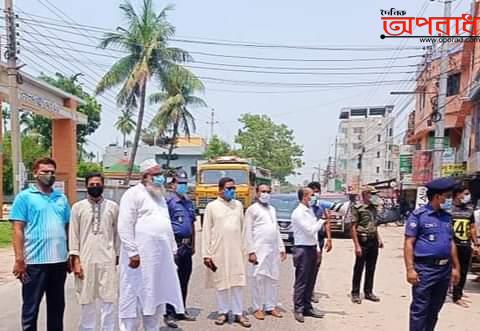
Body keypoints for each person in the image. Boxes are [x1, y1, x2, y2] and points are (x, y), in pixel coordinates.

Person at [117, 159, 184, 331]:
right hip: (139, 259)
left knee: (155, 299)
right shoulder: (133, 194)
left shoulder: (159, 196)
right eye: (156, 174)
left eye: (161, 174)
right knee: (134, 302)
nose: (161, 178)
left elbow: (166, 225)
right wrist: (132, 253)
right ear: (145, 176)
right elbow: (124, 225)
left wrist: (173, 251)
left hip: (160, 259)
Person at [10, 157, 71, 331]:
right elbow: (18, 229)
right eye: (45, 172)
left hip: (58, 263)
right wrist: (19, 259)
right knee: (31, 309)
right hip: (34, 264)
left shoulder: (61, 198)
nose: (49, 175)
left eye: (52, 172)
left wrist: (69, 254)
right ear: (35, 173)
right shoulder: (24, 198)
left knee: (57, 309)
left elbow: (67, 228)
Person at [404, 177, 461, 331]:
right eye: (447, 196)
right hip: (425, 269)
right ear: (437, 196)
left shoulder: (447, 217)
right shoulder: (419, 216)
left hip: (444, 270)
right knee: (420, 309)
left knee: (435, 308)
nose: (449, 199)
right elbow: (409, 243)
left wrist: (456, 267)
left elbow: (451, 243)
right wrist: (410, 269)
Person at [69, 172, 119, 331]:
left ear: (103, 185)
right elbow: (73, 234)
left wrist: (117, 256)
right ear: (86, 186)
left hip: (107, 259)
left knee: (108, 300)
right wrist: (75, 260)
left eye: (98, 184)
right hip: (85, 260)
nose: (95, 187)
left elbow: (118, 233)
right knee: (86, 300)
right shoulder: (78, 207)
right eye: (92, 185)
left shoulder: (112, 207)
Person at [202, 177, 251, 328]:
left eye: (233, 188)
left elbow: (243, 229)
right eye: (229, 188)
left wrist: (247, 250)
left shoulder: (238, 205)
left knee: (237, 282)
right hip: (218, 250)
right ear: (220, 190)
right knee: (221, 283)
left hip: (236, 250)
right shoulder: (212, 206)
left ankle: (238, 313)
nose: (232, 191)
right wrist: (206, 254)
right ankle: (223, 312)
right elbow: (206, 232)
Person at [244, 184, 286, 321]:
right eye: (263, 191)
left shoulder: (272, 209)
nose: (266, 194)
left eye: (268, 192)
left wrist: (281, 247)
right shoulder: (252, 210)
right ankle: (257, 308)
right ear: (257, 193)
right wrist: (251, 251)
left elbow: (276, 230)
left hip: (273, 249)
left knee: (273, 278)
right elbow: (248, 232)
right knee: (258, 279)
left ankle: (270, 306)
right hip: (259, 249)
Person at [164, 168, 197, 328]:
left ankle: (180, 309)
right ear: (173, 184)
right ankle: (169, 313)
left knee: (185, 279)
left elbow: (192, 224)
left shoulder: (189, 202)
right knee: (172, 280)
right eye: (180, 183)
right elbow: (165, 225)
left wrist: (193, 245)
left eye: (185, 183)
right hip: (174, 245)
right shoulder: (169, 202)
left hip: (186, 246)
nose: (183, 186)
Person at [291, 187, 326, 323]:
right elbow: (310, 230)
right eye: (312, 195)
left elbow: (315, 236)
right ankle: (298, 308)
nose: (314, 197)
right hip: (302, 249)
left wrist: (317, 249)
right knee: (302, 280)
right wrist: (322, 221)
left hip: (311, 248)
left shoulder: (310, 210)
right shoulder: (298, 213)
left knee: (311, 279)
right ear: (305, 197)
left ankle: (307, 306)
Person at [350, 186, 384, 304]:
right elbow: (353, 227)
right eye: (372, 194)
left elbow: (374, 224)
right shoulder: (357, 208)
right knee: (359, 267)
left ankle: (368, 292)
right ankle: (355, 293)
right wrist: (357, 245)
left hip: (373, 239)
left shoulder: (373, 208)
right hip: (362, 239)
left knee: (371, 267)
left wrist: (379, 238)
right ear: (366, 194)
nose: (374, 196)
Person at [450, 186, 480, 308]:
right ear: (457, 194)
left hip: (465, 245)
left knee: (462, 271)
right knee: (447, 270)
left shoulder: (469, 209)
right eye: (465, 193)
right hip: (450, 245)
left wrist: (476, 243)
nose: (468, 196)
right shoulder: (448, 209)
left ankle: (458, 295)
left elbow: (472, 227)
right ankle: (447, 290)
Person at [307, 182, 332, 303]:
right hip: (308, 239)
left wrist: (329, 239)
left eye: (317, 191)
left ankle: (310, 291)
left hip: (320, 239)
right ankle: (302, 291)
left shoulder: (322, 206)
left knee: (316, 265)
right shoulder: (305, 207)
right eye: (313, 192)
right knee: (305, 267)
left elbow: (327, 221)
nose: (315, 194)